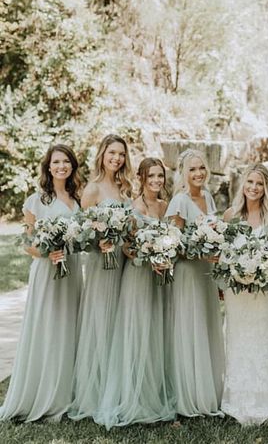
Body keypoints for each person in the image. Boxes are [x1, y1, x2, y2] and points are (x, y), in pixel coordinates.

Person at [0, 145, 82, 421]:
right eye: (56, 162)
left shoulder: (76, 198)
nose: (61, 166)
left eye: (66, 161)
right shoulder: (37, 200)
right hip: (47, 272)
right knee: (48, 327)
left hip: (72, 271)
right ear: (48, 167)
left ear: (72, 166)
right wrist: (47, 253)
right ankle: (43, 393)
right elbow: (26, 242)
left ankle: (66, 391)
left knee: (69, 327)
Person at [95, 158, 175, 428]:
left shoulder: (165, 206)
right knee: (138, 333)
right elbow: (128, 248)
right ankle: (135, 399)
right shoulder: (134, 207)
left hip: (161, 278)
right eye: (151, 176)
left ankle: (156, 394)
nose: (156, 181)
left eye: (160, 176)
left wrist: (165, 256)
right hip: (139, 277)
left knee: (157, 334)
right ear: (141, 178)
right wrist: (148, 255)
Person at [69, 134, 133, 420]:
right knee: (101, 321)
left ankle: (117, 388)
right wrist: (100, 243)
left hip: (124, 262)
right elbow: (81, 235)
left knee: (119, 321)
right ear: (102, 154)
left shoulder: (125, 187)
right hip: (101, 264)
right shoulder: (93, 189)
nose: (116, 158)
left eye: (121, 154)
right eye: (112, 153)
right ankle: (95, 393)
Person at [221, 163, 268, 426]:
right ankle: (236, 400)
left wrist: (265, 269)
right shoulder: (230, 215)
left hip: (265, 291)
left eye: (259, 183)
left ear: (266, 187)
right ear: (242, 185)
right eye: (250, 182)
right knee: (237, 339)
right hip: (238, 291)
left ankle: (264, 400)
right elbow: (224, 256)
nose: (254, 188)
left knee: (262, 341)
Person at [165, 149, 224, 417]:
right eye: (192, 169)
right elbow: (172, 245)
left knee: (207, 325)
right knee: (191, 329)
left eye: (201, 168)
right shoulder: (179, 201)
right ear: (182, 173)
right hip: (188, 273)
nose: (198, 173)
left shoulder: (208, 197)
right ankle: (189, 395)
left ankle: (208, 391)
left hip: (206, 273)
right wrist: (199, 251)